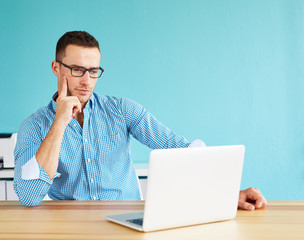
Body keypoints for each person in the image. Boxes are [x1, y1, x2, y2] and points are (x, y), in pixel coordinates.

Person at [14, 31, 267, 210]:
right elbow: (28, 196)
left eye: (93, 71)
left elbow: (179, 149)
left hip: (125, 222)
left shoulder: (123, 110)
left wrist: (227, 193)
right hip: (70, 228)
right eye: (77, 70)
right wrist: (59, 123)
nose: (87, 81)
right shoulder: (34, 126)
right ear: (56, 68)